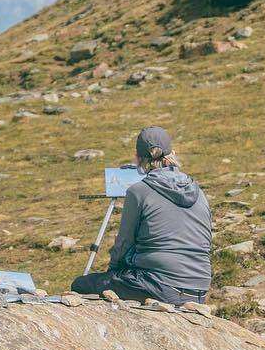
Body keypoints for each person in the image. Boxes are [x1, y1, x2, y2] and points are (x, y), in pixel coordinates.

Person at [71, 126, 212, 306]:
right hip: (198, 290)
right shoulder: (198, 191)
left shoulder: (139, 191)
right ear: (173, 154)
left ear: (138, 158)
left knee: (81, 284)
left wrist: (113, 273)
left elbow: (124, 243)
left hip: (158, 285)